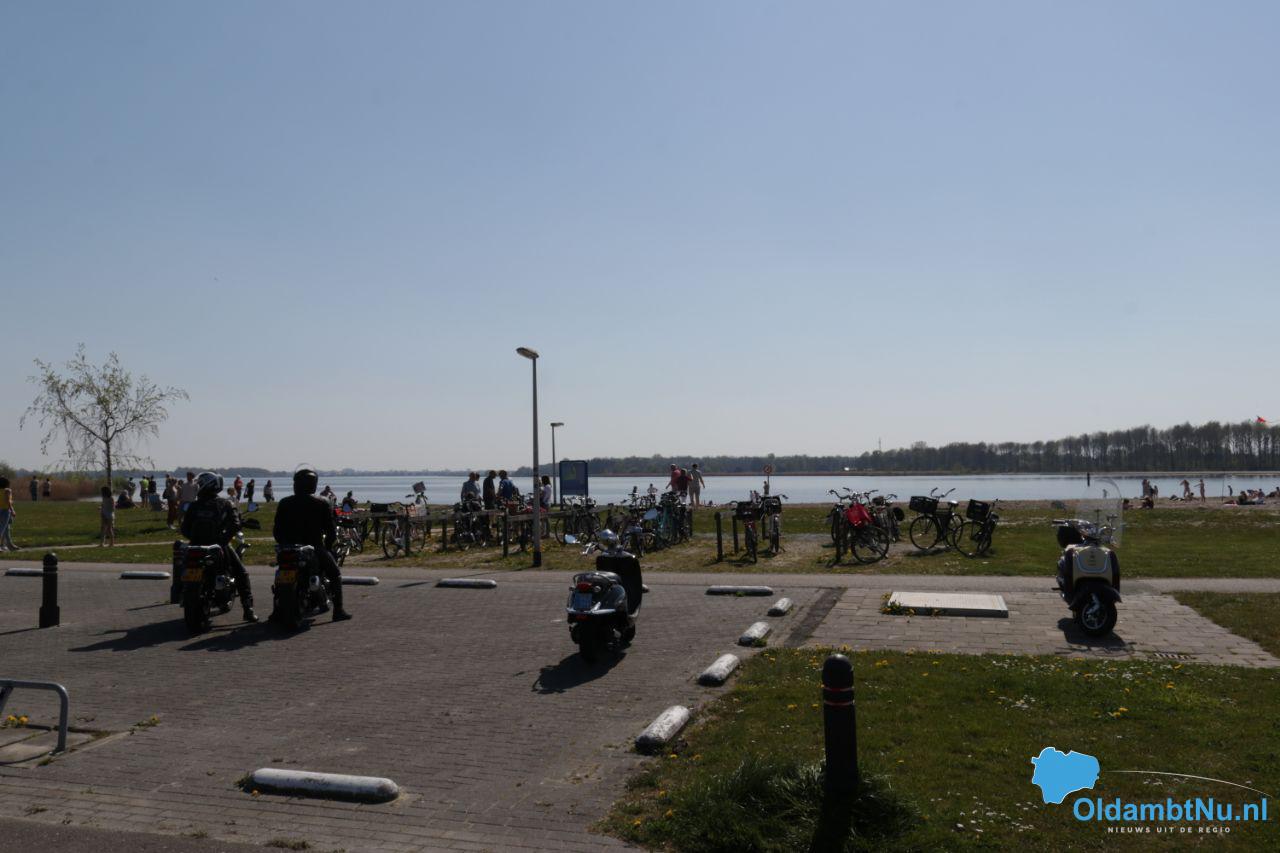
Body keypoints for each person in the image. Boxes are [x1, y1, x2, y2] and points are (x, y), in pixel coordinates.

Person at [273, 466, 350, 621]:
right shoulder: (322, 502)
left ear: (296, 484)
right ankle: (338, 610)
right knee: (335, 574)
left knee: (280, 575)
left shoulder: (285, 502)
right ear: (313, 484)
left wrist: (284, 543)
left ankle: (276, 611)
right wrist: (328, 546)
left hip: (289, 548)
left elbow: (277, 530)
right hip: (314, 546)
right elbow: (330, 530)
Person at [181, 471, 256, 622]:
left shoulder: (194, 505)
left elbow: (184, 528)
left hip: (196, 546)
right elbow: (235, 525)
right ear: (216, 485)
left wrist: (195, 539)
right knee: (241, 573)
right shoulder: (225, 503)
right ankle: (248, 609)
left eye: (200, 484)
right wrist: (223, 540)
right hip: (218, 545)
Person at [0, 477, 17, 551]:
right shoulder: (7, 490)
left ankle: (8, 545)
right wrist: (12, 510)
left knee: (6, 528)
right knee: (2, 528)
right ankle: (3, 545)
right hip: (5, 510)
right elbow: (8, 501)